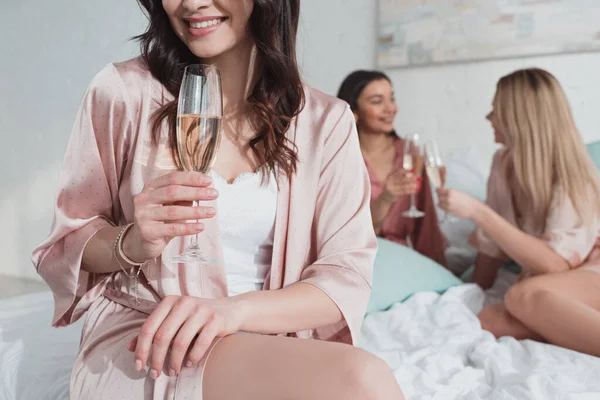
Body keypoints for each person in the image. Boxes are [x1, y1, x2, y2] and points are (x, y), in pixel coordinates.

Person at [31, 0, 405, 398]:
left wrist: (234, 310)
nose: (192, 3)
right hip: (153, 335)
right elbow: (70, 242)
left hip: (266, 333)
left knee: (361, 378)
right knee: (362, 381)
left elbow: (345, 277)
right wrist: (134, 241)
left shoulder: (326, 122)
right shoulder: (122, 93)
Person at [438, 68, 600, 357]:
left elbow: (555, 264)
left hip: (591, 270)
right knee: (486, 321)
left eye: (496, 110)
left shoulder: (572, 174)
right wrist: (468, 293)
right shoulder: (503, 163)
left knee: (522, 295)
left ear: (520, 118)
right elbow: (492, 248)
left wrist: (478, 211)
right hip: (555, 285)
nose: (489, 119)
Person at [337, 70, 447, 266]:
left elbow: (426, 226)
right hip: (355, 261)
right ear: (353, 112)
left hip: (403, 261)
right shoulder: (340, 158)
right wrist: (386, 197)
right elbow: (346, 235)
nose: (391, 108)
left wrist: (444, 277)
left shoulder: (410, 153)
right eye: (377, 101)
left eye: (392, 98)